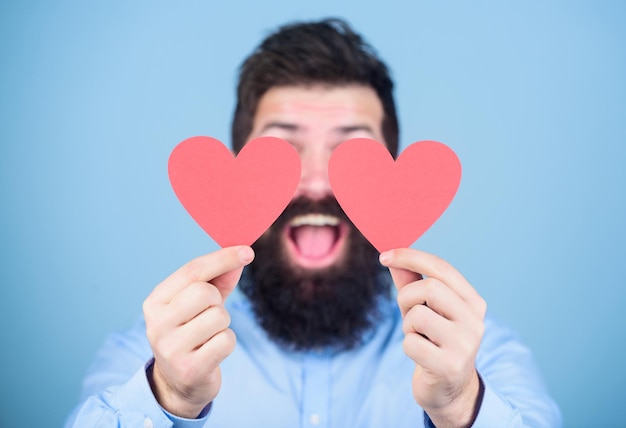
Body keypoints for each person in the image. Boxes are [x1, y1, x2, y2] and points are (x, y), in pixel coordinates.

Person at [66, 18, 561, 427]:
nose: (319, 181)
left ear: (392, 168)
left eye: (352, 150)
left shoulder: (483, 355)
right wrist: (169, 397)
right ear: (240, 166)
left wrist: (459, 406)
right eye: (284, 149)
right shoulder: (150, 354)